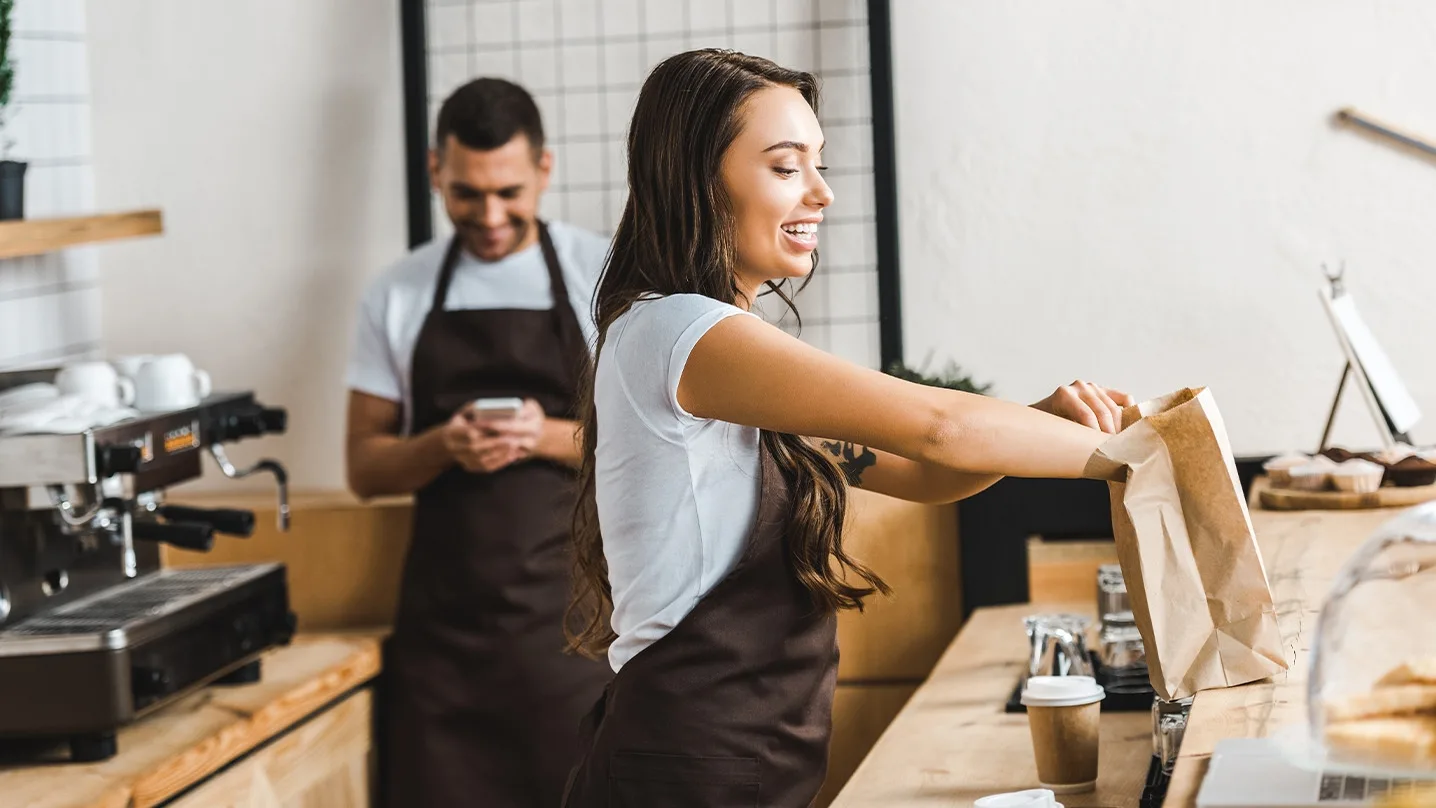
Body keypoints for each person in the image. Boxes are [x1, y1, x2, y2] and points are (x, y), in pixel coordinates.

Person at [560, 50, 1133, 807]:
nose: (822, 193)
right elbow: (940, 428)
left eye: (817, 163)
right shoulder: (682, 334)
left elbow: (929, 474)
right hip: (684, 770)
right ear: (699, 178)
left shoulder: (728, 361)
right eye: (786, 167)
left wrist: (1037, 424)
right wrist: (1146, 456)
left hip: (741, 763)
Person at [344, 77, 612, 807]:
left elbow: (655, 441)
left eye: (509, 192)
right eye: (466, 194)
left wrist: (546, 435)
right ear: (436, 172)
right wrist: (441, 446)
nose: (490, 216)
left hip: (573, 639)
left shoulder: (602, 277)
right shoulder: (397, 292)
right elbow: (364, 468)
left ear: (545, 170)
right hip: (443, 653)